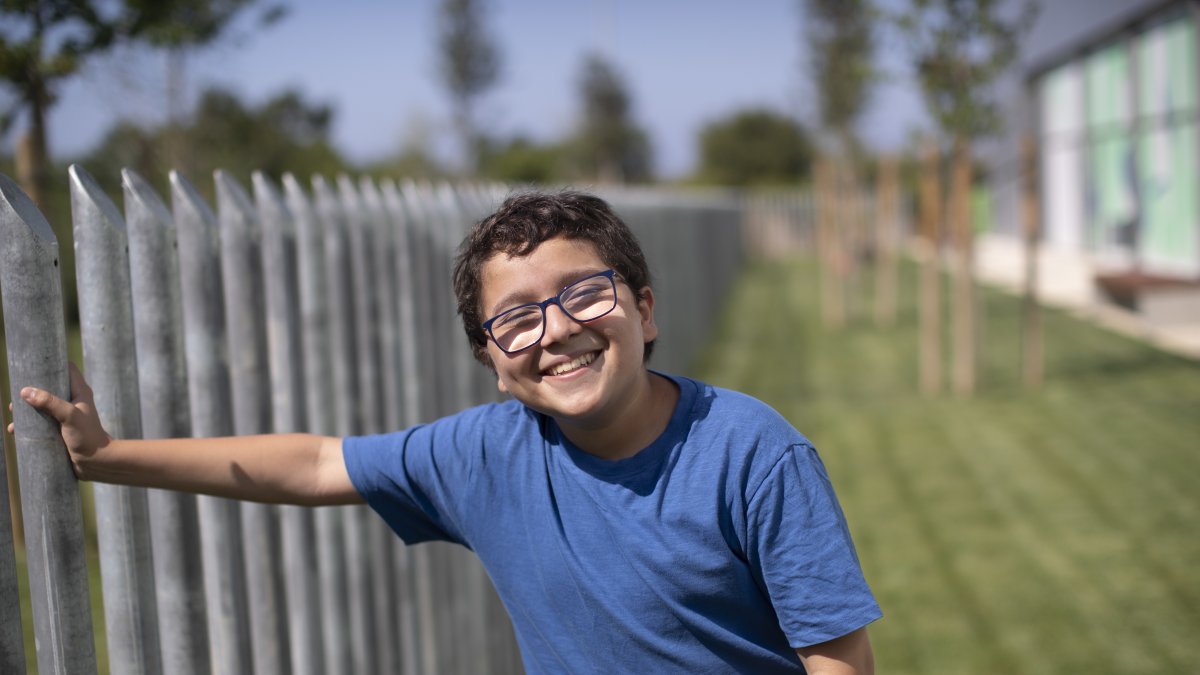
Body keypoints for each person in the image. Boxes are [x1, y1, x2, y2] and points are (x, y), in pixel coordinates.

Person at [15, 190, 881, 673]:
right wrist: (109, 456)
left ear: (644, 311)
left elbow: (839, 657)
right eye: (517, 318)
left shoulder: (752, 451)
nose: (557, 329)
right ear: (491, 360)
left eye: (585, 293)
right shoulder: (486, 454)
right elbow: (314, 463)